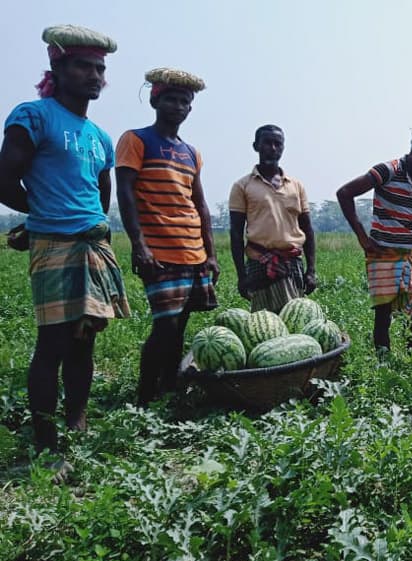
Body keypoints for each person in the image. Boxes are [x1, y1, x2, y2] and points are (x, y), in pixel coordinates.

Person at [0, 25, 129, 475]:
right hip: (55, 244)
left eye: (100, 69)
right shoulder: (33, 116)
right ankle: (45, 441)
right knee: (52, 343)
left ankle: (77, 420)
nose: (94, 76)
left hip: (93, 245)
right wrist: (41, 216)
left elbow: (101, 193)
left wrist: (101, 236)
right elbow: (5, 180)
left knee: (84, 340)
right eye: (83, 66)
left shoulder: (99, 136)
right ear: (57, 67)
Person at [115, 68, 219, 405]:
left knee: (180, 325)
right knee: (165, 327)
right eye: (170, 99)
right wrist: (139, 245)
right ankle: (144, 396)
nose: (177, 106)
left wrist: (211, 253)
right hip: (159, 253)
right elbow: (126, 194)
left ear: (191, 108)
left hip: (193, 252)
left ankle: (169, 386)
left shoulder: (191, 152)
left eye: (184, 102)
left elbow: (199, 204)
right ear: (155, 100)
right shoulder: (136, 140)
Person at [335, 121, 412, 354]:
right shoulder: (387, 171)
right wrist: (362, 236)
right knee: (383, 314)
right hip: (382, 253)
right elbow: (344, 193)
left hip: (410, 254)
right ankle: (383, 362)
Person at [229, 125, 317, 313]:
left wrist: (311, 270)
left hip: (291, 262)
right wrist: (241, 276)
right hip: (259, 262)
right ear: (256, 146)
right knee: (264, 324)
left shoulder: (296, 186)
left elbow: (307, 229)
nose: (273, 148)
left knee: (294, 319)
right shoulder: (242, 186)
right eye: (267, 143)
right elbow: (236, 233)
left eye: (278, 144)